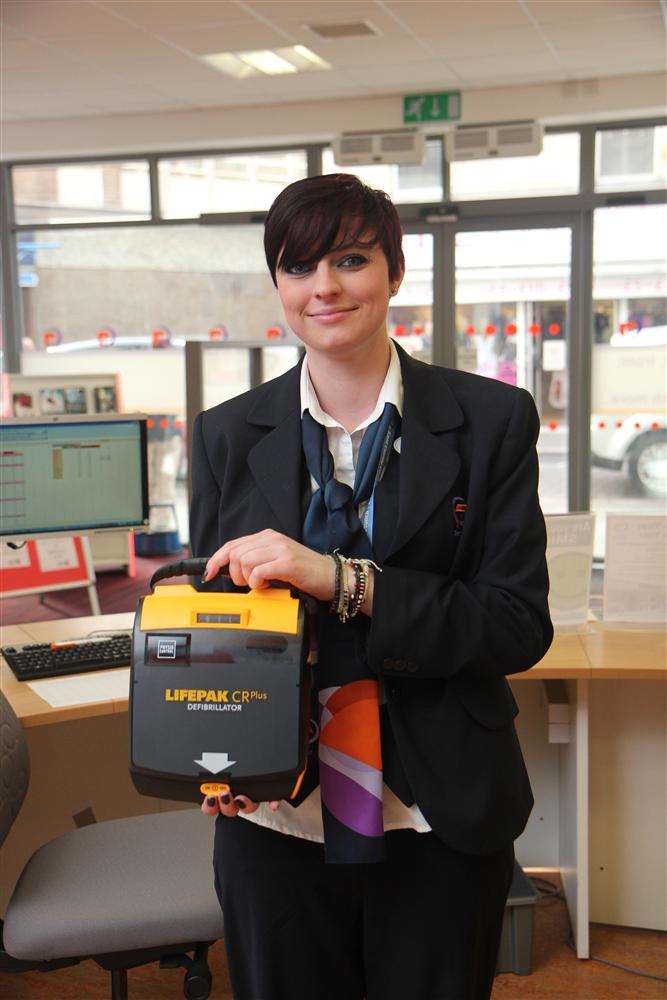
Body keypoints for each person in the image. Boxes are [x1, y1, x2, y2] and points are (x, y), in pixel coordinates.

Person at [190, 173, 553, 1000]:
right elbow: (210, 617)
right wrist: (197, 750)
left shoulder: (490, 420)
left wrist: (343, 582)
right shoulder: (225, 435)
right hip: (274, 814)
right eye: (297, 267)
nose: (323, 287)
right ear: (278, 286)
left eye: (349, 260)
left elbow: (513, 623)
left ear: (393, 271)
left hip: (435, 807)